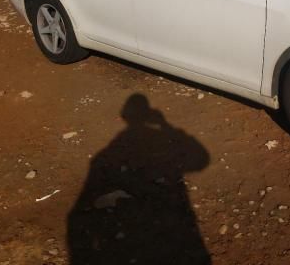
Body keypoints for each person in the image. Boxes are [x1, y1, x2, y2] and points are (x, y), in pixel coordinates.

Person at [67, 93, 211, 264]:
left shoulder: (105, 155)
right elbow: (202, 159)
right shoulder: (109, 154)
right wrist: (167, 127)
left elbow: (77, 217)